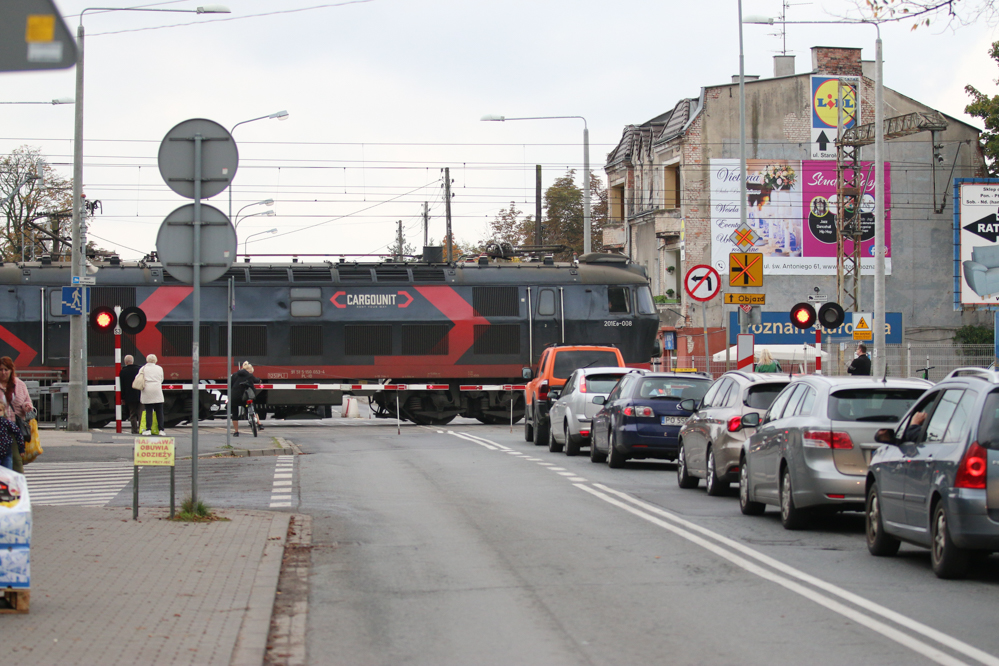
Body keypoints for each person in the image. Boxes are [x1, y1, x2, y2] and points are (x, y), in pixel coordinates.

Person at [0, 356, 33, 473]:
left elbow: (26, 401)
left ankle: (18, 485)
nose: (3, 373)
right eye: (0, 370)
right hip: (0, 427)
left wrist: (27, 407)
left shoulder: (19, 385)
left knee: (16, 459)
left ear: (11, 370)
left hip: (14, 427)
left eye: (6, 370)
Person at [138, 354, 165, 436]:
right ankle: (161, 430)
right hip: (157, 389)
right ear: (156, 360)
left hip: (147, 389)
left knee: (148, 410)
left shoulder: (143, 368)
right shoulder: (159, 368)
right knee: (159, 411)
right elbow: (162, 379)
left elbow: (139, 378)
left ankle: (148, 429)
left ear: (147, 360)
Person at [229, 361, 259, 437]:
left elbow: (230, 385)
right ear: (249, 370)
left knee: (234, 414)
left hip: (234, 396)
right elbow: (256, 380)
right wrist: (259, 380)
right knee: (251, 408)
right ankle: (258, 423)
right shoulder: (249, 376)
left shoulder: (234, 375)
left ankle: (236, 432)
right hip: (245, 397)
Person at [119, 354, 142, 434]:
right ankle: (142, 429)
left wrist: (123, 398)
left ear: (125, 362)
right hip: (140, 395)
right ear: (133, 361)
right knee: (140, 413)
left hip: (129, 396)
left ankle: (134, 430)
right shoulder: (139, 370)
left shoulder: (123, 372)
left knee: (132, 414)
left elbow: (122, 386)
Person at [0, 401, 23, 471]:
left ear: (4, 411)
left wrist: (21, 448)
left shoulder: (6, 422)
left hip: (6, 453)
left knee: (8, 473)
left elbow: (18, 432)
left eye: (0, 410)